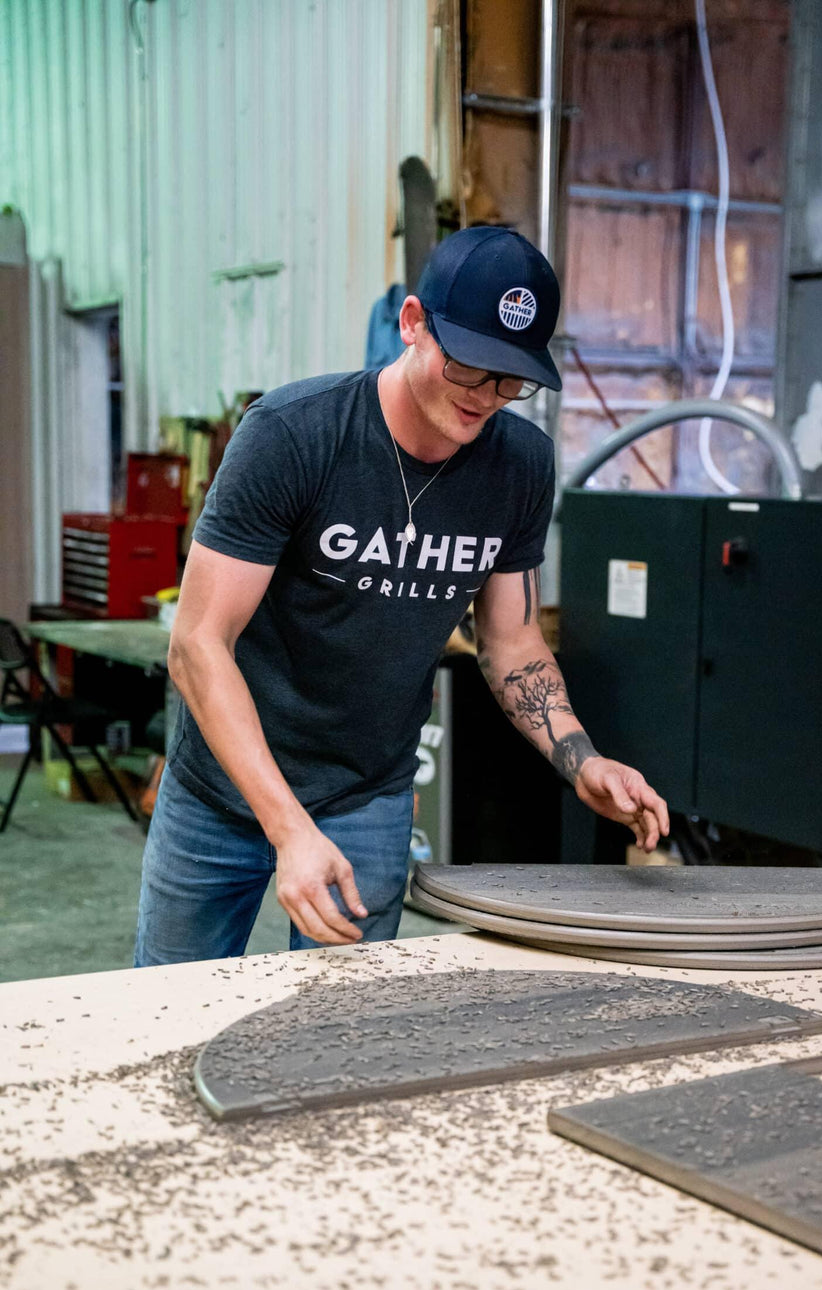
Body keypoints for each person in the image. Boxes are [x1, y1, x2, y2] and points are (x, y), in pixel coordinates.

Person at [134, 226, 669, 965]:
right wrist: (289, 829)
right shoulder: (293, 435)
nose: (487, 399)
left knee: (345, 1026)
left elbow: (509, 641)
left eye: (512, 380)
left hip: (368, 791)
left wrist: (583, 759)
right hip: (224, 787)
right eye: (470, 368)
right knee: (170, 1007)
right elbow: (197, 644)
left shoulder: (519, 465)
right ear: (413, 322)